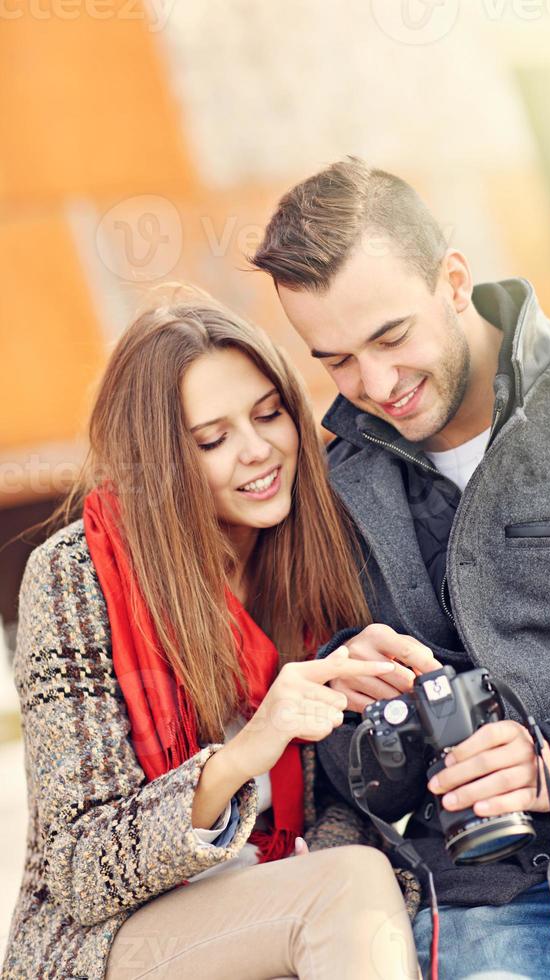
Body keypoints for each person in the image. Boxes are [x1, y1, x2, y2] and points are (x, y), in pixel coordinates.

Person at [251, 157, 550, 979]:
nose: (376, 384)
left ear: (455, 279)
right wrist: (361, 722)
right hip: (484, 901)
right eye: (335, 360)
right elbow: (342, 774)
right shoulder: (321, 497)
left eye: (391, 336)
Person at [2, 293, 423, 980]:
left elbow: (340, 814)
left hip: (278, 898)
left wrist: (374, 719)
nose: (259, 451)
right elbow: (80, 868)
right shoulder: (75, 578)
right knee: (346, 888)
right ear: (158, 460)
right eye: (212, 439)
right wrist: (255, 742)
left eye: (268, 414)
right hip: (118, 942)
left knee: (362, 885)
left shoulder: (314, 548)